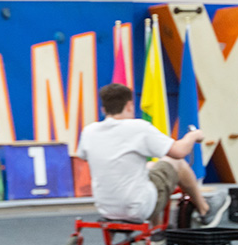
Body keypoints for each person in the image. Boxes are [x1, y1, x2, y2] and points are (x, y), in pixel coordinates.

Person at [76, 83, 229, 230]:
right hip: (138, 208)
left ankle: (157, 229)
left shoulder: (89, 131)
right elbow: (179, 151)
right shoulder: (138, 128)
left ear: (104, 108)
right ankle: (205, 209)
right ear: (129, 105)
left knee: (150, 167)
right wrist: (193, 136)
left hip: (106, 209)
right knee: (176, 162)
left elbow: (84, 156)